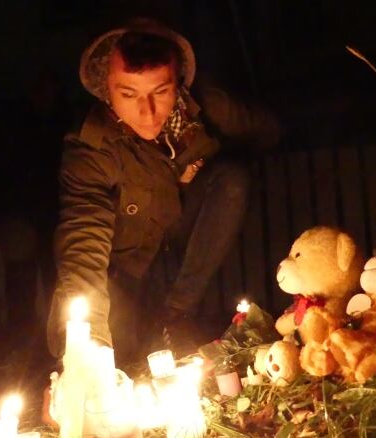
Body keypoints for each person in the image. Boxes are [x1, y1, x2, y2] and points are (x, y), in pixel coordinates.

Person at [47, 19, 280, 364]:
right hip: (119, 269)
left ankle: (175, 314)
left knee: (232, 179)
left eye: (160, 92)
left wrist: (220, 144)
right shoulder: (91, 150)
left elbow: (268, 131)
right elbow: (83, 241)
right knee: (113, 362)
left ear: (179, 85)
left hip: (177, 239)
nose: (148, 112)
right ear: (106, 88)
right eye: (129, 94)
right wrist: (88, 339)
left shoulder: (204, 110)